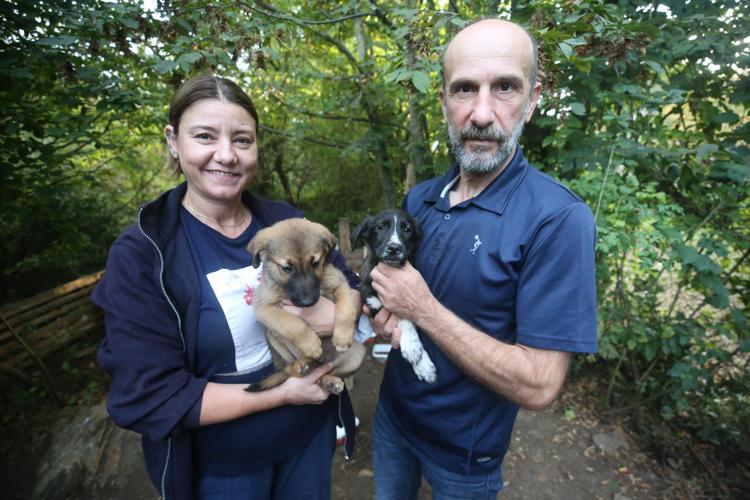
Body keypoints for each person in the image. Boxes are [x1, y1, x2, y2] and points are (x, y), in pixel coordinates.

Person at [93, 74, 360, 500]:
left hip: (309, 440)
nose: (226, 155)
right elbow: (149, 397)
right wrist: (283, 394)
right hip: (221, 471)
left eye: (242, 139)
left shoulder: (286, 220)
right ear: (173, 141)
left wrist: (338, 314)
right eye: (204, 136)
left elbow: (348, 282)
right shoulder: (143, 254)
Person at [367, 19, 598, 499]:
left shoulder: (557, 218)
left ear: (533, 100)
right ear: (444, 103)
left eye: (506, 87)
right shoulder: (420, 201)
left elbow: (539, 386)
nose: (482, 112)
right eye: (464, 89)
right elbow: (393, 302)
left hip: (464, 456)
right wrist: (389, 320)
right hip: (391, 417)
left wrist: (423, 309)